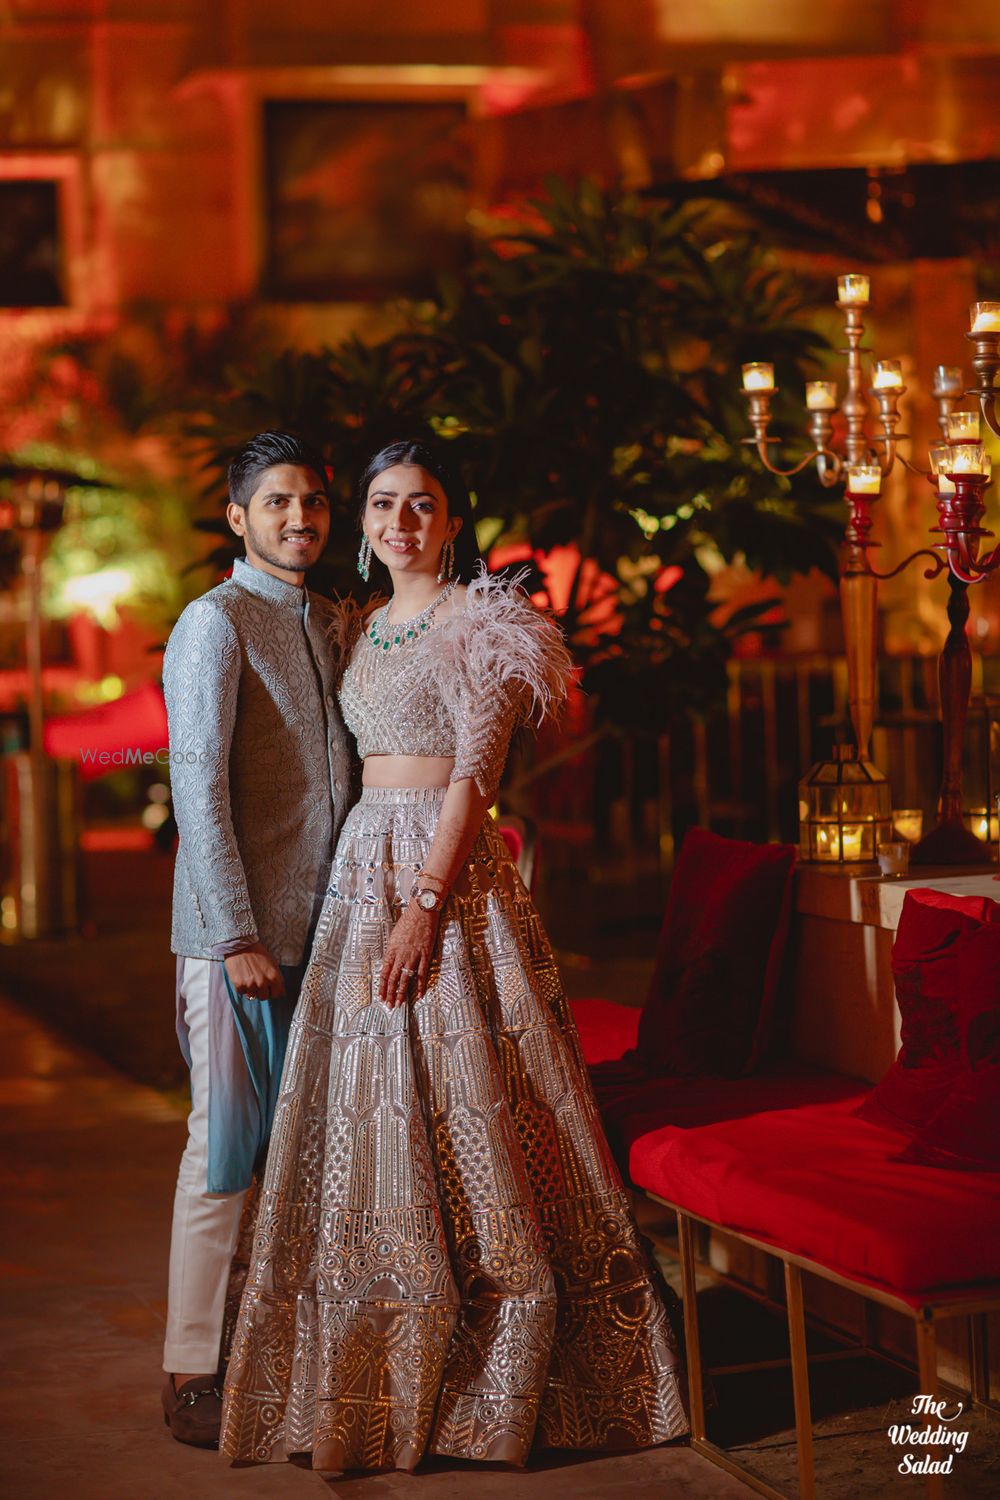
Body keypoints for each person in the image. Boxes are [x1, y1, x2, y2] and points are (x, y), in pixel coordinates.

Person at [220, 437, 688, 1471]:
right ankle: (370, 1369)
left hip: (449, 871)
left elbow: (475, 777)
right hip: (359, 872)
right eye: (383, 505)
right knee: (362, 1113)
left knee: (483, 1093)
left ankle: (501, 1369)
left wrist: (424, 904)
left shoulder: (484, 624)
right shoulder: (355, 624)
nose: (399, 523)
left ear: (450, 517)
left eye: (420, 505)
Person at [160, 430, 353, 1447]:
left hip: (325, 936)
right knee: (225, 1152)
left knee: (304, 1159)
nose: (298, 518)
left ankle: (277, 1351)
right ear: (238, 516)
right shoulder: (215, 622)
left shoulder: (325, 619)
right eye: (275, 502)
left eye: (312, 501)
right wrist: (236, 932)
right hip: (240, 944)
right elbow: (198, 784)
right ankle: (191, 1365)